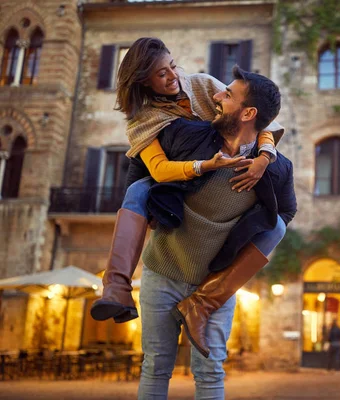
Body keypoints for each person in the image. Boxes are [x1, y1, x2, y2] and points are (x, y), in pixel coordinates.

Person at [90, 37, 283, 324]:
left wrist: (263, 158)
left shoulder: (202, 85)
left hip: (214, 167)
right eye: (161, 74)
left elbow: (257, 119)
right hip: (169, 175)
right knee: (136, 192)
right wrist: (204, 166)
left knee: (277, 225)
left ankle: (206, 300)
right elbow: (158, 169)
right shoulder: (142, 119)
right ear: (144, 81)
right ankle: (116, 288)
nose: (173, 77)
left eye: (172, 66)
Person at [135, 66, 296, 399]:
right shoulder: (191, 135)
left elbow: (286, 212)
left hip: (215, 285)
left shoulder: (277, 169)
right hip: (161, 272)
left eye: (228, 94)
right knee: (155, 366)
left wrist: (263, 159)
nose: (217, 96)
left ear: (249, 112)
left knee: (210, 372)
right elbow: (142, 157)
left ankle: (203, 303)